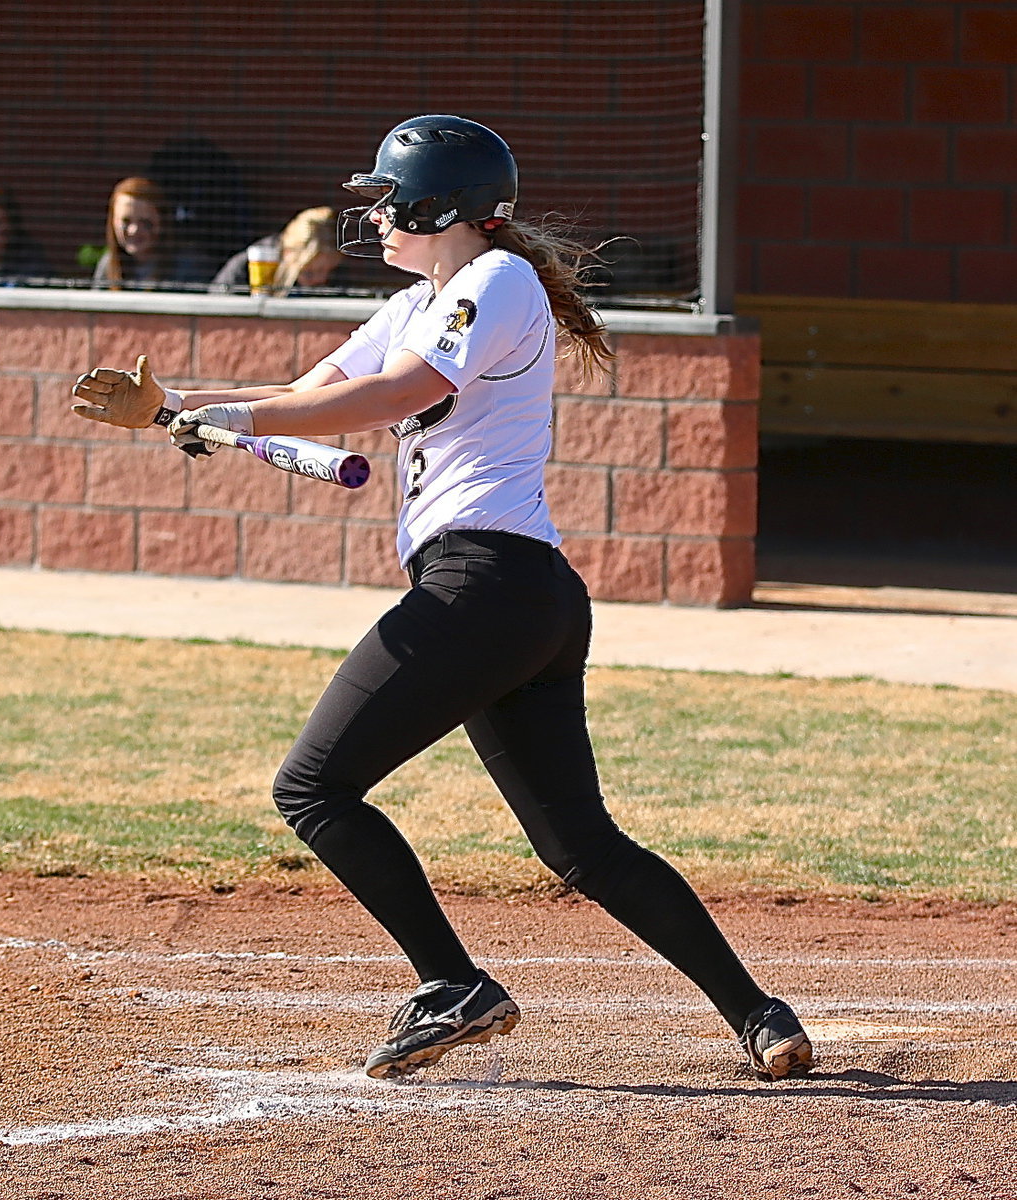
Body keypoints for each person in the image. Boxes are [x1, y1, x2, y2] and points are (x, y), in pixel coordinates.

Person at [71, 114, 814, 1084]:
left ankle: (450, 984)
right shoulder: (421, 299)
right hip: (519, 597)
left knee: (313, 788)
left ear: (441, 205)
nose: (374, 214)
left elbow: (393, 396)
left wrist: (229, 416)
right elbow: (322, 386)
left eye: (388, 198)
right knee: (582, 846)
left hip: (487, 584)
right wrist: (182, 411)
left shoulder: (493, 282)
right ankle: (760, 1015)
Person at [91, 176, 217, 290]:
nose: (133, 230)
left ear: (162, 222)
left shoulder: (189, 265)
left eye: (145, 222)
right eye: (126, 221)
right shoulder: (108, 264)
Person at [209, 206, 344, 295]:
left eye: (330, 271)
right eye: (309, 273)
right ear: (287, 253)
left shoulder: (340, 277)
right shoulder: (250, 266)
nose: (321, 280)